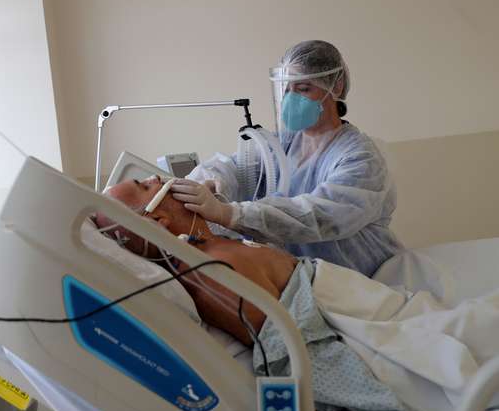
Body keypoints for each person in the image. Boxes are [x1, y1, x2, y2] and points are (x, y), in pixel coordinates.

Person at [99, 177, 499, 411]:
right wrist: (372, 400)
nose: (160, 179)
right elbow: (295, 348)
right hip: (377, 335)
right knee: (476, 335)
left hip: (380, 308)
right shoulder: (211, 273)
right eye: (146, 185)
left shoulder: (209, 246)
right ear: (156, 218)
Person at [171, 40, 401, 276]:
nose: (290, 99)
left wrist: (230, 214)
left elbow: (319, 216)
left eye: (303, 89)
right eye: (285, 88)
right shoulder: (282, 143)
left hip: (358, 274)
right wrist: (209, 181)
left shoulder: (360, 157)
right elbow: (237, 166)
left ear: (337, 87)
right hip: (303, 275)